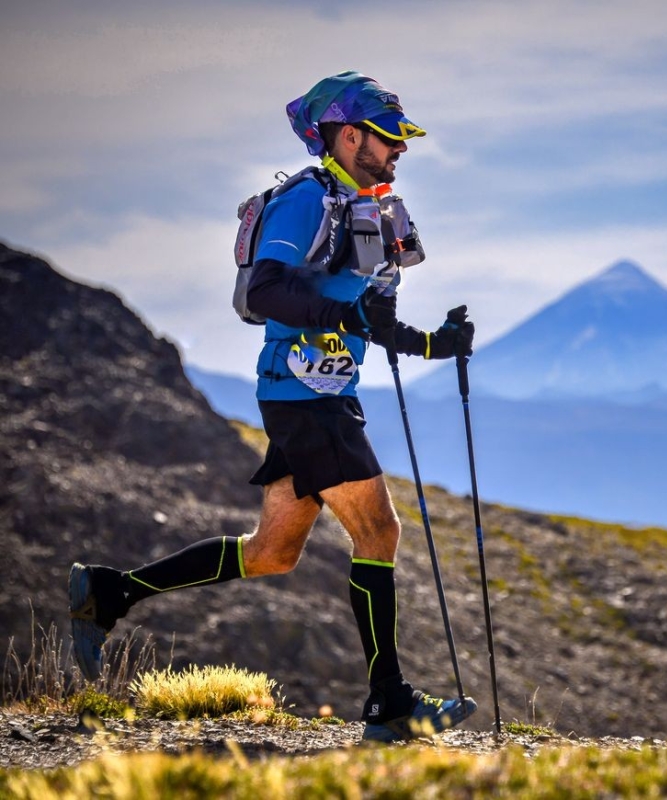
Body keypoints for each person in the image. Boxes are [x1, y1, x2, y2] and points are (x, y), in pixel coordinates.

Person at [69, 71, 477, 742]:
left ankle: (110, 592)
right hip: (305, 396)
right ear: (350, 137)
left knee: (271, 553)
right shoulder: (305, 200)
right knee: (379, 534)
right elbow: (264, 291)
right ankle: (390, 703)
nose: (400, 148)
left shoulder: (372, 213)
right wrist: (342, 314)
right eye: (388, 136)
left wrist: (439, 343)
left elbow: (373, 321)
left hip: (320, 393)